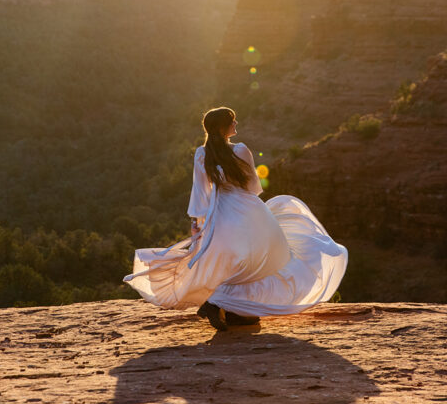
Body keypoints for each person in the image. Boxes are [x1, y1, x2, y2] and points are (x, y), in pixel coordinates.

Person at [123, 107, 348, 330]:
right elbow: (252, 186)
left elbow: (201, 192)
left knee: (231, 261)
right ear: (223, 127)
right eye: (233, 121)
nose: (236, 124)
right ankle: (218, 303)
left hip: (219, 211)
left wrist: (197, 222)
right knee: (270, 256)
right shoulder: (240, 150)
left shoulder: (201, 154)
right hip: (246, 208)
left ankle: (235, 310)